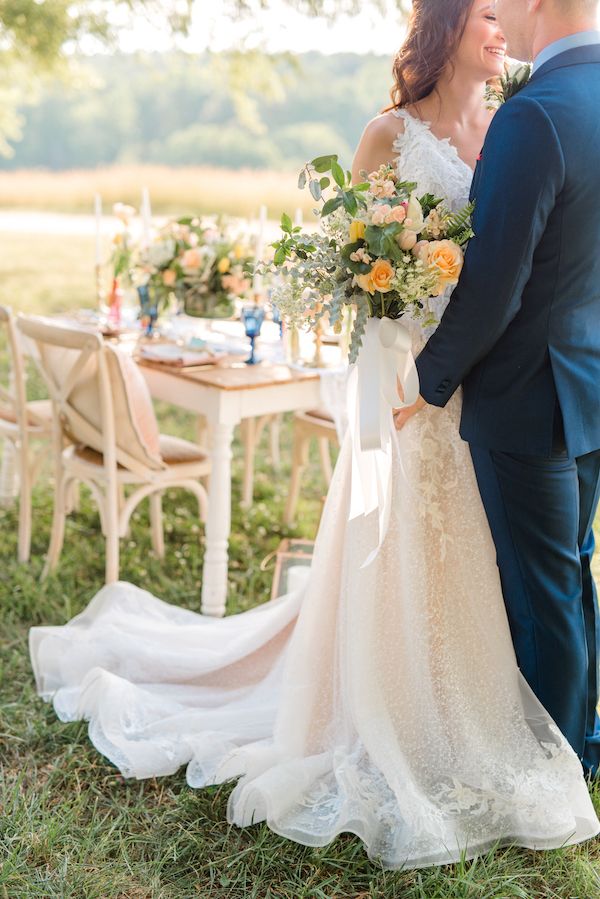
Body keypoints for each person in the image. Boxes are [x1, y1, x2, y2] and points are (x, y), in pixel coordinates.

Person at [29, 0, 599, 870]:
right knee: (452, 557)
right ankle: (411, 709)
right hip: (422, 376)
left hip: (486, 380)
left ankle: (500, 719)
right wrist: (403, 355)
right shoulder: (389, 135)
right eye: (484, 12)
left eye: (504, 14)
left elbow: (514, 263)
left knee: (509, 570)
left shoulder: (515, 121)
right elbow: (366, 273)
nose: (500, 29)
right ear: (445, 26)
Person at [397, 0, 600, 781]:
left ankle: (551, 774)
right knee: (572, 572)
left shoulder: (534, 114)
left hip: (527, 397)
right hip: (584, 386)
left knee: (543, 593)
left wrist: (427, 377)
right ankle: (579, 747)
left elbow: (493, 290)